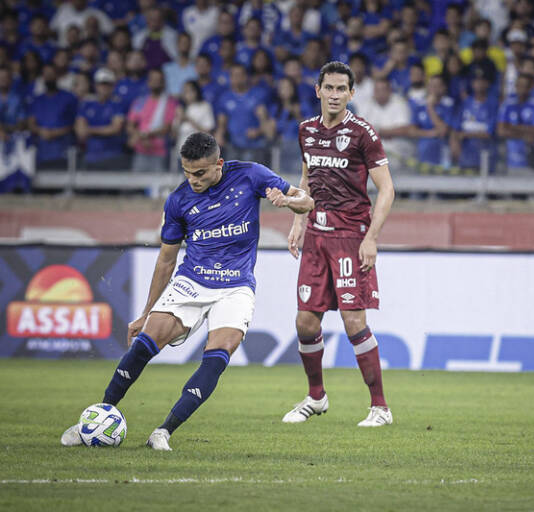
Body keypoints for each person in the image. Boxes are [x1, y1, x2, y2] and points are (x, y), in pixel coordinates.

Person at [60, 131, 314, 450]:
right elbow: (166, 258)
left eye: (200, 173)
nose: (192, 179)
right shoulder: (179, 199)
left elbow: (307, 201)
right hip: (191, 281)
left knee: (216, 358)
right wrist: (146, 312)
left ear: (218, 164)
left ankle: (163, 431)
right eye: (186, 172)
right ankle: (100, 414)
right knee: (144, 343)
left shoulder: (251, 175)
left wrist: (289, 201)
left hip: (236, 287)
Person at [282, 61, 395, 427]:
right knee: (305, 323)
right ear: (317, 90)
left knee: (353, 321)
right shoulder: (306, 131)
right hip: (316, 235)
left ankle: (380, 407)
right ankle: (316, 398)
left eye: (340, 89)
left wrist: (371, 238)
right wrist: (299, 220)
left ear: (351, 93)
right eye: (328, 88)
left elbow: (387, 189)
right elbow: (307, 178)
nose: (333, 95)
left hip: (351, 236)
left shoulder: (363, 134)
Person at [75, 68, 128, 170]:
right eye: (101, 84)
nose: (104, 87)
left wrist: (90, 130)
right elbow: (80, 131)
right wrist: (105, 129)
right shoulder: (87, 104)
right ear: (95, 85)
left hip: (113, 156)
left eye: (107, 84)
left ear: (113, 86)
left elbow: (116, 128)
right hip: (90, 156)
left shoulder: (117, 104)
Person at [126, 69, 178, 173]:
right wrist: (140, 136)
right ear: (148, 82)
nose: (155, 82)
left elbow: (167, 128)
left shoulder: (170, 103)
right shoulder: (140, 102)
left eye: (158, 80)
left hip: (159, 152)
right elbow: (130, 125)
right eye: (152, 79)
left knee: (158, 187)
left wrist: (145, 135)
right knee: (136, 186)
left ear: (163, 83)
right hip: (140, 151)